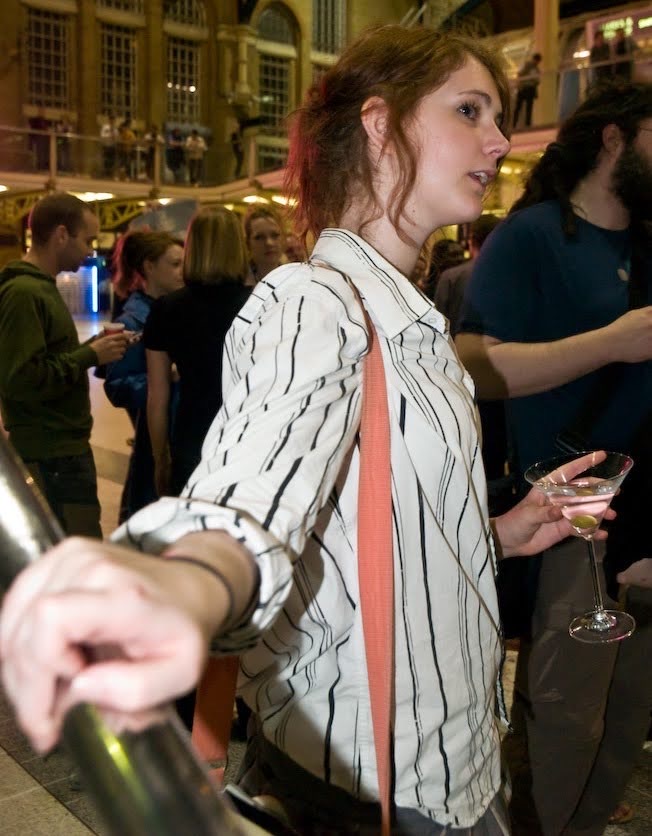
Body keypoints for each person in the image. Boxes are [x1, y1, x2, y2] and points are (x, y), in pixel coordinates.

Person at [0, 26, 593, 835]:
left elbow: (372, 540)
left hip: (453, 764)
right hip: (380, 784)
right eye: (469, 110)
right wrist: (181, 583)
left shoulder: (410, 321)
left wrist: (497, 534)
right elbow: (249, 499)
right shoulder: (311, 300)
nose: (498, 140)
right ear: (380, 126)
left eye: (499, 115)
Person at [456, 81, 652, 836]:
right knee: (566, 723)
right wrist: (610, 342)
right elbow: (473, 362)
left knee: (624, 719)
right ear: (613, 140)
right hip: (570, 518)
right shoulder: (533, 235)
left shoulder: (646, 243)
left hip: (644, 517)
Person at [0, 192, 129, 538]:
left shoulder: (41, 289)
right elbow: (21, 379)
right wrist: (89, 356)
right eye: (86, 240)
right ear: (61, 235)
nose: (91, 250)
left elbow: (47, 360)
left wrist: (94, 347)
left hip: (63, 453)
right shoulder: (25, 293)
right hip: (51, 458)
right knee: (75, 558)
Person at [144, 207, 250, 498]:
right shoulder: (260, 303)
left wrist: (160, 458)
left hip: (192, 439)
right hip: (245, 438)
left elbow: (158, 396)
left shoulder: (166, 309)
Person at [103, 231, 184, 522]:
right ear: (149, 267)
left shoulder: (178, 311)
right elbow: (118, 386)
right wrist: (164, 379)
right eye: (174, 264)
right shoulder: (133, 322)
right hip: (153, 441)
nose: (182, 272)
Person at [435, 214, 501, 337]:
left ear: (471, 240)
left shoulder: (452, 277)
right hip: (502, 353)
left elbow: (438, 325)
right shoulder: (515, 275)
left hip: (456, 351)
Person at [243, 205, 283, 284]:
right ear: (248, 243)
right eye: (259, 237)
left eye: (275, 235)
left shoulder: (295, 278)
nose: (269, 243)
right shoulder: (238, 285)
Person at [513, 52, 541, 129]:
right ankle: (513, 124)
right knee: (519, 107)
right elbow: (520, 74)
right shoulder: (527, 65)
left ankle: (527, 125)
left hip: (530, 89)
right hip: (524, 88)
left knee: (528, 108)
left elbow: (538, 80)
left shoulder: (536, 69)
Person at [28, 107, 50, 171]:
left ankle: (42, 165)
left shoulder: (45, 120)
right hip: (38, 138)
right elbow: (32, 128)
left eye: (43, 111)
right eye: (41, 111)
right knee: (39, 152)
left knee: (43, 152)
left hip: (44, 139)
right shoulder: (35, 120)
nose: (42, 113)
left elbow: (47, 129)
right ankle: (39, 165)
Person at [100, 114, 119, 179]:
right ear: (109, 120)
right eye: (112, 120)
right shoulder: (105, 127)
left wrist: (114, 137)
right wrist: (109, 136)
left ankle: (110, 174)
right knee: (106, 160)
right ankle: (105, 174)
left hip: (112, 146)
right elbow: (102, 136)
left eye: (114, 120)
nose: (113, 121)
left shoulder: (115, 129)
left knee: (112, 161)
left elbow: (117, 138)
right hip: (106, 146)